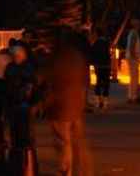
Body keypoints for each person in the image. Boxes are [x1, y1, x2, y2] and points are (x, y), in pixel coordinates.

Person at [44, 30, 90, 176]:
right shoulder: (77, 56)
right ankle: (83, 170)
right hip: (76, 104)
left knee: (63, 142)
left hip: (60, 107)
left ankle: (65, 171)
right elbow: (85, 81)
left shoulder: (57, 58)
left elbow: (49, 80)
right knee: (76, 142)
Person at [4, 44, 37, 153]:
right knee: (15, 132)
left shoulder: (27, 68)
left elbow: (31, 85)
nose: (15, 58)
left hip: (24, 104)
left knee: (25, 132)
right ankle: (18, 155)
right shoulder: (11, 68)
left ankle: (26, 158)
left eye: (16, 56)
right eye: (14, 56)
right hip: (14, 104)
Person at [89, 27, 112, 111]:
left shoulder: (95, 43)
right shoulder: (106, 43)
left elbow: (92, 54)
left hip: (98, 66)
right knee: (106, 82)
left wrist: (93, 63)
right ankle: (105, 102)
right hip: (106, 66)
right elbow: (109, 54)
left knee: (98, 82)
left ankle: (98, 101)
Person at [125, 18, 140, 103]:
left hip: (131, 57)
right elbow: (132, 46)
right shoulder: (134, 33)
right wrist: (135, 57)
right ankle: (133, 96)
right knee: (134, 77)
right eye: (139, 24)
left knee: (133, 77)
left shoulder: (131, 33)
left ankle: (132, 96)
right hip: (133, 58)